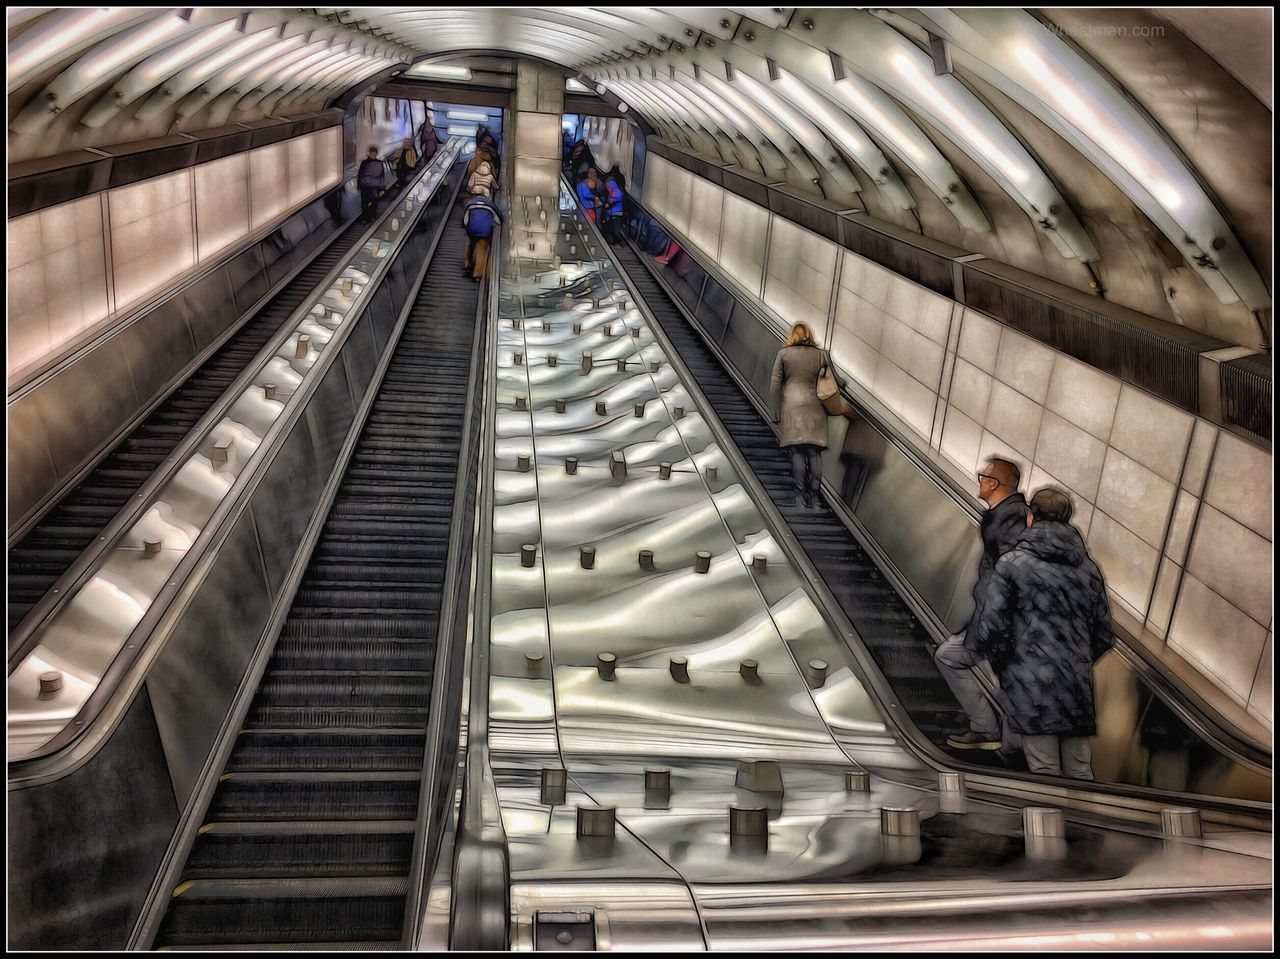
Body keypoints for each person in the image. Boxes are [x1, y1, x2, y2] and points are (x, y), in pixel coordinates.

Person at [967, 488, 1114, 779]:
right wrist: (1077, 659)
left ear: (1030, 518)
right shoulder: (1088, 569)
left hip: (1029, 683)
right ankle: (1085, 823)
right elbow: (1105, 633)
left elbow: (992, 627)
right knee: (1080, 770)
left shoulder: (1012, 564)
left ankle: (1053, 823)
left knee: (1045, 770)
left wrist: (1007, 665)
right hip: (1074, 684)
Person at [936, 456, 1029, 751]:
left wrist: (996, 618)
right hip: (993, 614)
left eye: (983, 475)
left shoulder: (1010, 517)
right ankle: (997, 735)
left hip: (999, 617)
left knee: (953, 658)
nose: (979, 480)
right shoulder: (1006, 513)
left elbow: (1011, 569)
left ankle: (997, 737)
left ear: (994, 483)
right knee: (959, 659)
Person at [768, 323, 844, 510]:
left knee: (797, 451)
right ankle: (816, 497)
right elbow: (837, 381)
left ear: (792, 336)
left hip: (792, 407)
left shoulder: (784, 354)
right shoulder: (821, 355)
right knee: (814, 452)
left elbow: (775, 385)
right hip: (815, 407)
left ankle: (800, 497)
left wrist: (775, 415)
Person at [462, 191, 501, 280]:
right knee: (482, 249)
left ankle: (467, 264)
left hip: (472, 230)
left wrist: (468, 229)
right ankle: (477, 274)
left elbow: (465, 221)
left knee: (469, 243)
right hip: (485, 232)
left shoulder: (470, 204)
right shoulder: (490, 205)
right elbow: (498, 220)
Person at [357, 145, 388, 223]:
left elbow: (382, 176)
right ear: (369, 153)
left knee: (374, 203)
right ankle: (365, 218)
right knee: (365, 203)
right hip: (366, 187)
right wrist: (360, 185)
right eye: (371, 153)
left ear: (376, 154)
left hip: (375, 187)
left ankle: (371, 217)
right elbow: (360, 175)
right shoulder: (364, 163)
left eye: (374, 153)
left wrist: (382, 188)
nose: (373, 155)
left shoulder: (378, 163)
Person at [601, 167, 625, 242]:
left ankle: (617, 241)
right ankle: (614, 241)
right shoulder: (612, 186)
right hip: (613, 212)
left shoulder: (612, 185)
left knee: (615, 228)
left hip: (615, 212)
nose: (607, 187)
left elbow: (618, 196)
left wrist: (609, 202)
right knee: (613, 228)